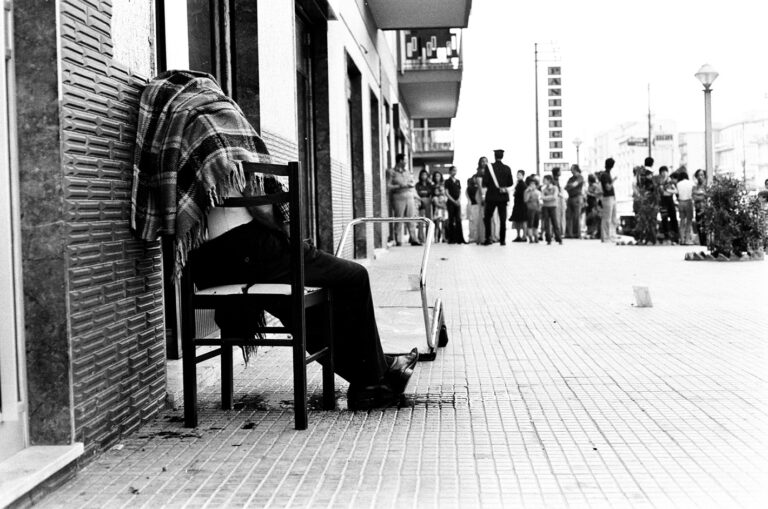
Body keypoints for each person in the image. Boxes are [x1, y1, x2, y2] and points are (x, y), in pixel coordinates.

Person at [130, 70, 417, 410]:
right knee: (355, 276)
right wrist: (288, 232)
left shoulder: (175, 134)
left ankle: (373, 375)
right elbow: (262, 208)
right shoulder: (221, 126)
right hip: (251, 249)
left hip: (209, 261)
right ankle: (374, 377)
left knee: (298, 311)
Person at [386, 154, 421, 246]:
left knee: (411, 218)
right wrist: (400, 186)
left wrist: (416, 196)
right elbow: (388, 186)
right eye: (405, 160)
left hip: (409, 196)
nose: (406, 162)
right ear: (400, 161)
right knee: (399, 218)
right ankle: (398, 240)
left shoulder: (407, 172)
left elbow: (412, 183)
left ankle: (414, 239)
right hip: (398, 196)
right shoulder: (391, 172)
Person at [482, 149, 514, 245]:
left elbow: (485, 182)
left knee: (488, 217)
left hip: (491, 196)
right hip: (503, 197)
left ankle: (488, 238)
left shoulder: (489, 167)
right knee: (503, 218)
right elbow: (510, 183)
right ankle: (502, 240)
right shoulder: (507, 168)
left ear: (495, 156)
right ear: (502, 157)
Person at [444, 166, 466, 244]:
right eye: (453, 170)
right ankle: (451, 239)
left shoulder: (458, 181)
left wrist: (459, 200)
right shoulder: (447, 181)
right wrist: (453, 201)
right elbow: (446, 193)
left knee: (458, 220)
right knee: (451, 220)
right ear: (450, 171)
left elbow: (460, 191)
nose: (454, 172)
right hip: (450, 202)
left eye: (456, 171)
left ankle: (460, 238)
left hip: (457, 202)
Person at [657, 166, 679, 243]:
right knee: (664, 218)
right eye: (662, 172)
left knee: (673, 218)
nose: (664, 173)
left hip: (670, 201)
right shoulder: (659, 182)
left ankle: (675, 236)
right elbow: (660, 192)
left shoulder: (670, 181)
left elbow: (676, 191)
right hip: (663, 201)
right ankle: (666, 236)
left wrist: (668, 190)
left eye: (665, 171)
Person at [540, 174, 563, 245]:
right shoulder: (543, 189)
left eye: (545, 180)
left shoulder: (555, 188)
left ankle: (559, 239)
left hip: (553, 207)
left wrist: (546, 197)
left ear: (549, 180)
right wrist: (550, 197)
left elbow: (555, 197)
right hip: (545, 207)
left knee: (555, 223)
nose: (543, 181)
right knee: (546, 224)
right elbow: (541, 197)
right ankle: (548, 239)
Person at [600, 158, 618, 242]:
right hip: (607, 197)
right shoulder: (605, 175)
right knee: (607, 218)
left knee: (613, 217)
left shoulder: (607, 174)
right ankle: (606, 237)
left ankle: (612, 235)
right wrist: (613, 180)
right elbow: (607, 187)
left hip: (611, 197)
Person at [564, 164, 585, 238]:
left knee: (576, 216)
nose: (571, 170)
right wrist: (570, 186)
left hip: (577, 198)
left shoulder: (580, 177)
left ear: (576, 169)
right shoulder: (571, 178)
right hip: (570, 197)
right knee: (568, 216)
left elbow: (574, 185)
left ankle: (576, 234)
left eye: (572, 169)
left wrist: (570, 186)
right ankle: (569, 233)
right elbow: (566, 187)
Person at [414, 169, 433, 244]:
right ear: (420, 176)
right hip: (420, 202)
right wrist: (421, 199)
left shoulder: (430, 185)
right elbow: (416, 194)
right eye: (422, 175)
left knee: (428, 220)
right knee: (421, 221)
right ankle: (421, 238)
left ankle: (428, 238)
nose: (424, 176)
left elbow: (432, 194)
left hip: (428, 202)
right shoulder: (417, 185)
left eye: (425, 175)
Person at [509, 170, 528, 241]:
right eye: (517, 174)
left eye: (520, 175)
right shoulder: (518, 184)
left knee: (522, 221)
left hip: (521, 205)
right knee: (518, 221)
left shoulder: (523, 184)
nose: (518, 176)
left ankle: (524, 236)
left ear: (523, 176)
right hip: (518, 204)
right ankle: (519, 236)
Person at [675, 172, 694, 244]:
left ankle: (682, 239)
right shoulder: (691, 183)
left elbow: (677, 193)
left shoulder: (678, 184)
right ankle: (687, 240)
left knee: (682, 221)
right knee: (689, 222)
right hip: (688, 202)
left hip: (681, 202)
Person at [524, 176, 542, 243]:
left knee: (536, 223)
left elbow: (540, 201)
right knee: (530, 223)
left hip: (537, 209)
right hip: (530, 209)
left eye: (534, 184)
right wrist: (528, 192)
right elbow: (525, 200)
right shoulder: (527, 191)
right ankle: (530, 237)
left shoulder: (538, 192)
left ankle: (536, 236)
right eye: (531, 184)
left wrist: (540, 207)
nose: (532, 185)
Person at [692, 169, 708, 246]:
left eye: (702, 175)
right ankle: (702, 242)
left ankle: (706, 242)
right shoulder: (695, 187)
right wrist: (702, 196)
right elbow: (694, 197)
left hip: (705, 209)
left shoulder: (706, 186)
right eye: (698, 175)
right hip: (698, 208)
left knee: (705, 225)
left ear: (704, 176)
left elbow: (707, 196)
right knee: (699, 225)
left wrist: (699, 196)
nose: (700, 177)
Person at [585, 174, 601, 239]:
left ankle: (593, 232)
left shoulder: (595, 186)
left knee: (593, 218)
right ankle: (590, 231)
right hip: (589, 203)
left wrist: (589, 193)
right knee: (589, 218)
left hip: (593, 203)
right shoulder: (589, 186)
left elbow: (597, 195)